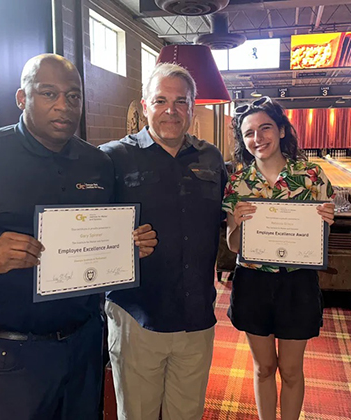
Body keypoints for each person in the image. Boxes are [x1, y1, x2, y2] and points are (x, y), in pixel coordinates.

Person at [0, 54, 157, 420]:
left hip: (84, 344)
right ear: (22, 98)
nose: (63, 106)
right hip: (9, 355)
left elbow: (106, 236)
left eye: (73, 96)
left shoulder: (98, 164)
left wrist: (130, 244)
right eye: (48, 93)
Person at [99, 63, 227, 420]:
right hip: (137, 314)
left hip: (196, 316)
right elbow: (89, 229)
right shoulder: (112, 158)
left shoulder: (211, 158)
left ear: (193, 107)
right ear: (144, 106)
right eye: (160, 101)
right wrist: (119, 240)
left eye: (180, 102)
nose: (171, 110)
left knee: (186, 414)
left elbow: (228, 221)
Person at [222, 96, 335, 420]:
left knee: (290, 369)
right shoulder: (239, 183)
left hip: (296, 282)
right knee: (263, 368)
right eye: (249, 133)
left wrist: (325, 223)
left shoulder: (312, 176)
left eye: (265, 128)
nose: (258, 138)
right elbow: (233, 245)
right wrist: (240, 224)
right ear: (243, 141)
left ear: (282, 130)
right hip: (253, 282)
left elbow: (319, 240)